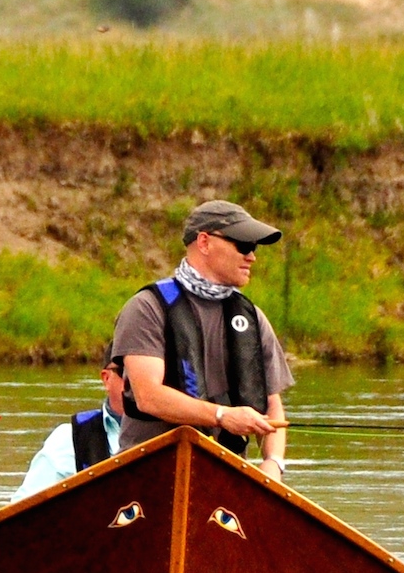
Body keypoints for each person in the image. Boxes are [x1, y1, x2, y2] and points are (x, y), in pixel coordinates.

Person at [110, 200, 292, 482]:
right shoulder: (147, 307)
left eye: (254, 248)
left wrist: (273, 464)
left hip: (225, 479)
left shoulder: (252, 318)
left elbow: (271, 406)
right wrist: (221, 415)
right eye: (243, 245)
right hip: (148, 474)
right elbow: (148, 396)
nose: (252, 256)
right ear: (204, 242)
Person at [9, 353, 127, 502]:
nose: (138, 380)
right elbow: (21, 513)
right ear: (106, 379)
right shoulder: (69, 439)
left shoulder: (165, 434)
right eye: (126, 372)